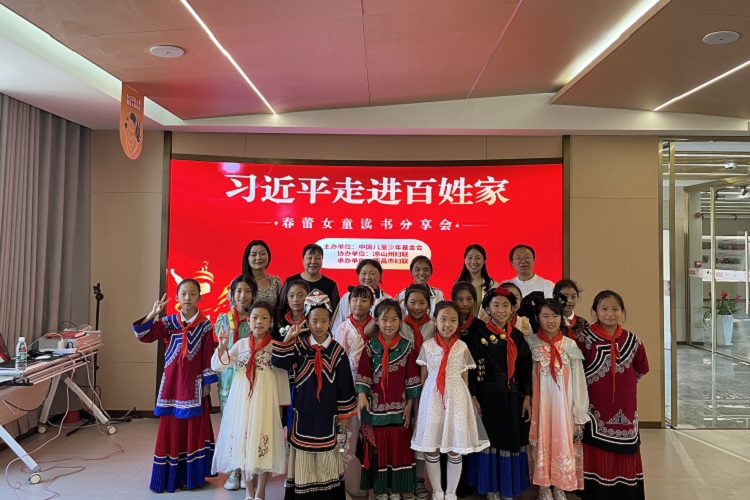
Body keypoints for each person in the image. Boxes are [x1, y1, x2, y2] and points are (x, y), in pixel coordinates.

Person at [131, 279, 217, 493]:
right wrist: (153, 314)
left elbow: (208, 355)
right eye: (183, 293)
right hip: (171, 386)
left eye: (193, 293)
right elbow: (143, 335)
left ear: (200, 297)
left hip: (193, 387)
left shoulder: (205, 325)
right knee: (170, 429)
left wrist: (207, 384)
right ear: (177, 297)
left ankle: (191, 478)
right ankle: (168, 478)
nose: (188, 298)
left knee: (193, 430)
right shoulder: (168, 323)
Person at [272, 290, 358, 500]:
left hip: (328, 416)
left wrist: (344, 417)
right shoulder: (299, 347)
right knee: (303, 455)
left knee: (328, 455)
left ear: (330, 322)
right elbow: (279, 362)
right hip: (303, 414)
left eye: (324, 321)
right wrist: (288, 338)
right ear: (307, 322)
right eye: (314, 321)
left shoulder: (337, 351)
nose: (319, 326)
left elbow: (345, 387)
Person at [211, 301, 290, 500]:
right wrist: (222, 347)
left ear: (271, 322)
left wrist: (280, 405)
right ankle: (249, 491)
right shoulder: (241, 344)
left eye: (264, 318)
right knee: (244, 442)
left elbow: (281, 376)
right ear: (249, 320)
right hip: (243, 399)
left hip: (265, 399)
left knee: (263, 442)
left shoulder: (275, 346)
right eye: (255, 317)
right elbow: (218, 365)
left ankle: (261, 492)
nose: (259, 322)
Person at [411, 301, 490, 500]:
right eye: (443, 319)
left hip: (457, 399)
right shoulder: (427, 346)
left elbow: (465, 378)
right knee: (433, 447)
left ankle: (451, 493)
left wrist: (467, 401)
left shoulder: (462, 347)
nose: (448, 324)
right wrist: (424, 403)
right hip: (433, 399)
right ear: (435, 321)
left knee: (456, 449)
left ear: (458, 323)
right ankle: (437, 492)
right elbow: (423, 378)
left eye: (453, 320)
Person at [576, 291, 649, 500]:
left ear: (622, 311)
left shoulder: (632, 340)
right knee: (597, 451)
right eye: (604, 309)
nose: (610, 314)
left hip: (626, 407)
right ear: (595, 311)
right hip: (595, 408)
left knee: (627, 450)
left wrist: (624, 385)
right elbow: (576, 373)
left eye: (615, 309)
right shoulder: (584, 339)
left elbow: (642, 368)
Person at [464, 287, 532, 500]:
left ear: (513, 309)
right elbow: (471, 370)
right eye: (496, 305)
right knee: (489, 440)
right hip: (487, 397)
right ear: (487, 309)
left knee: (511, 440)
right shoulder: (477, 335)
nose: (501, 310)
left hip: (513, 397)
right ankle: (491, 487)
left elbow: (525, 369)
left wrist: (527, 397)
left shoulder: (518, 337)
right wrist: (473, 396)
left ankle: (507, 487)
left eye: (505, 305)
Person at [356, 299, 422, 500]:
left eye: (394, 319)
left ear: (400, 321)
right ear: (376, 321)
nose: (389, 324)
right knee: (378, 450)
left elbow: (412, 378)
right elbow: (364, 373)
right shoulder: (371, 346)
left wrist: (410, 404)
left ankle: (396, 490)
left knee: (399, 448)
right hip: (375, 410)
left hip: (400, 409)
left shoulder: (407, 347)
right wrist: (362, 395)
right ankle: (380, 491)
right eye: (384, 319)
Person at [527, 299, 589, 500]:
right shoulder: (530, 343)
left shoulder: (570, 345)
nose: (550, 320)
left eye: (555, 316)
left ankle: (560, 486)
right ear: (537, 318)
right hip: (540, 406)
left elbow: (579, 381)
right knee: (541, 441)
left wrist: (579, 411)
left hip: (564, 406)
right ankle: (544, 487)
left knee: (563, 442)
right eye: (545, 316)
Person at [333, 285, 377, 498]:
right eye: (355, 300)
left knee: (371, 437)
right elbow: (338, 362)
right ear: (348, 303)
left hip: (374, 387)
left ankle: (373, 486)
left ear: (372, 303)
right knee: (347, 437)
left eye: (364, 300)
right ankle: (347, 486)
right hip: (348, 387)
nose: (359, 304)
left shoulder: (378, 325)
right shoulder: (342, 328)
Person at [215, 275, 257, 412]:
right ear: (232, 294)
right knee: (228, 412)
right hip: (227, 373)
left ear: (254, 294)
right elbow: (220, 349)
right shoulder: (223, 319)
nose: (243, 295)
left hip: (249, 372)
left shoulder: (257, 320)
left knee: (247, 411)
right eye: (239, 291)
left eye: (248, 291)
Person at [333, 259, 391, 331]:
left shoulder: (387, 299)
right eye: (364, 273)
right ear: (358, 275)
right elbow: (336, 325)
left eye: (372, 273)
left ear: (380, 275)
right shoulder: (347, 297)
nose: (367, 277)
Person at [282, 243, 341, 313]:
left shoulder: (330, 285)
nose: (313, 262)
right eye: (309, 258)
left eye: (317, 258)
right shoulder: (290, 281)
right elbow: (280, 308)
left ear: (322, 260)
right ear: (303, 260)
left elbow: (337, 313)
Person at [455, 244, 497, 318]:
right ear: (465, 260)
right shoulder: (457, 284)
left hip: (484, 324)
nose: (473, 261)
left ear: (484, 261)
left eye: (478, 258)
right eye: (470, 258)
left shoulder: (493, 285)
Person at [242, 240, 282, 308]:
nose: (258, 258)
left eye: (262, 254)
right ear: (247, 258)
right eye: (254, 255)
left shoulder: (276, 281)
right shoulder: (241, 282)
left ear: (268, 255)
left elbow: (281, 308)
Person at [401, 284, 436, 355]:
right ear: (405, 304)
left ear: (429, 305)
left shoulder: (435, 326)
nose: (417, 307)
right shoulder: (400, 326)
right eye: (412, 302)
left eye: (422, 303)